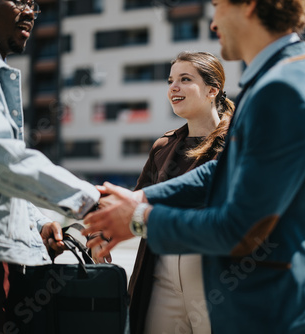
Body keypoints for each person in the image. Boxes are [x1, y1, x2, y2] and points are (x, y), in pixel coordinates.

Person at [84, 0, 305, 333]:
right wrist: (142, 200)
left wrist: (139, 219)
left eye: (217, 6)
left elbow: (240, 229)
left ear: (249, 6)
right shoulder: (283, 77)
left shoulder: (280, 90)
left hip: (288, 314)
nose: (213, 23)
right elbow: (223, 171)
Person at [0, 1, 100, 333]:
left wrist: (38, 223)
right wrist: (92, 202)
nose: (31, 11)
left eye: (34, 4)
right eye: (20, 0)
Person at [125, 51, 234, 334]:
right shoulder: (163, 147)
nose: (174, 87)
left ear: (213, 89)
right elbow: (135, 203)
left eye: (185, 79)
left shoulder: (238, 142)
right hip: (161, 274)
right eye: (171, 80)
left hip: (215, 276)